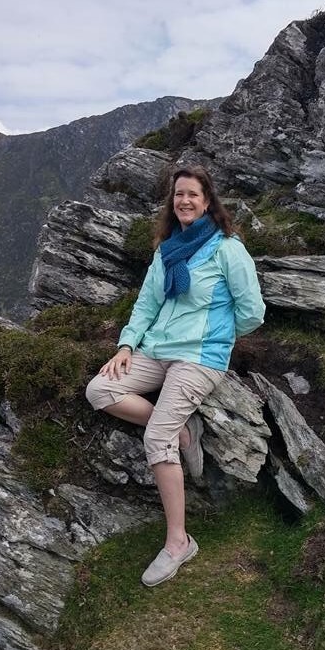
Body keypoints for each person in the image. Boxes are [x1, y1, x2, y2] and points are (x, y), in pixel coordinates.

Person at [85, 165, 265, 587]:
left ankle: (179, 542)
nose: (184, 201)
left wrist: (219, 339)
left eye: (193, 195)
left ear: (207, 201)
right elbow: (147, 305)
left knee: (154, 439)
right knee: (100, 389)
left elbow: (252, 311)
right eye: (178, 195)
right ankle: (183, 432)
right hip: (156, 351)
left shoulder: (227, 249)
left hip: (200, 358)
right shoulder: (167, 249)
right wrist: (127, 345)